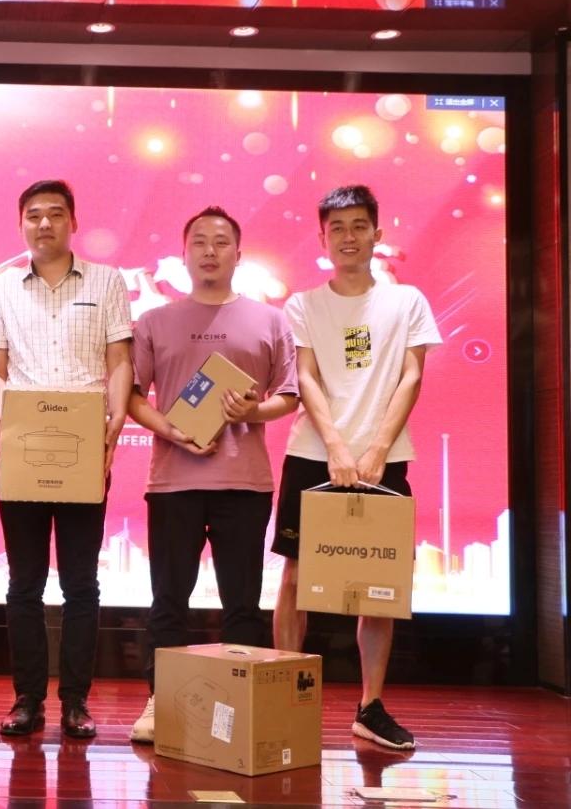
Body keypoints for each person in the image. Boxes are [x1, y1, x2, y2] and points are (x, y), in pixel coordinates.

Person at [271, 185, 440, 751]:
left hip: (384, 458)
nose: (348, 237)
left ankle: (370, 706)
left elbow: (412, 376)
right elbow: (307, 377)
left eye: (359, 226)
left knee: (378, 585)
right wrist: (338, 449)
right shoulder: (303, 304)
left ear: (377, 233)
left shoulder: (407, 301)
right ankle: (285, 699)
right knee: (295, 577)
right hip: (313, 454)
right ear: (322, 239)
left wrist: (377, 449)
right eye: (337, 228)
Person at [125, 206, 299, 744]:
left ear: (238, 255)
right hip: (173, 482)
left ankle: (239, 708)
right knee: (168, 602)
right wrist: (172, 430)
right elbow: (132, 396)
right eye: (198, 241)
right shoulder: (154, 321)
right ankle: (161, 703)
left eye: (221, 242)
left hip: (244, 482)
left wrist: (253, 411)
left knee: (242, 605)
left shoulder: (270, 320)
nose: (209, 251)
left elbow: (289, 395)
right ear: (183, 254)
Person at [0, 179, 133, 739]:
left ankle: (75, 701)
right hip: (22, 452)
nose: (44, 224)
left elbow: (120, 360)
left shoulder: (107, 281)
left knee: (81, 583)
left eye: (55, 214)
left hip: (83, 450)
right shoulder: (0, 288)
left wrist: (116, 420)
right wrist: (2, 421)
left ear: (73, 221)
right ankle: (27, 699)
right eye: (33, 215)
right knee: (23, 583)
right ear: (21, 223)